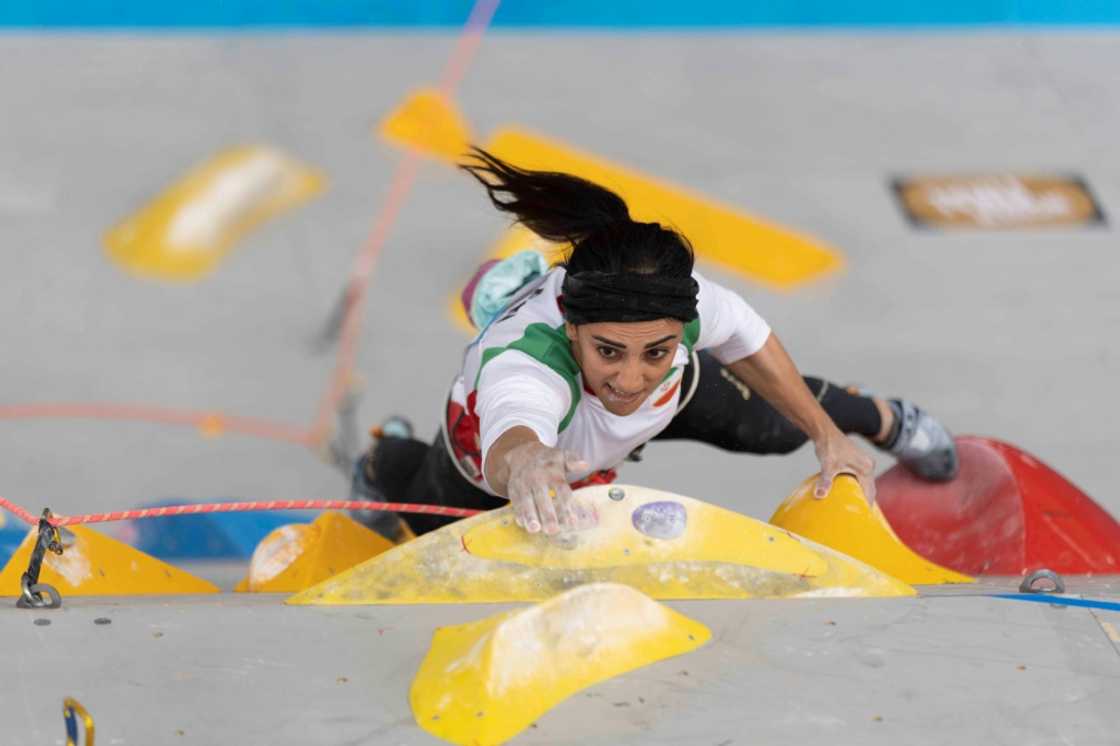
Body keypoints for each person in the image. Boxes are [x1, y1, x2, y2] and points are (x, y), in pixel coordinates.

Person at [352, 148, 958, 541]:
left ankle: (890, 420)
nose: (632, 379)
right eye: (608, 350)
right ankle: (384, 459)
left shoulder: (675, 303)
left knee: (771, 425)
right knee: (427, 514)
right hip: (492, 462)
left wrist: (829, 438)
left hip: (615, 426)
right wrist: (525, 462)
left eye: (657, 352)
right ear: (571, 328)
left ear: (679, 333)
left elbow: (750, 339)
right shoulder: (525, 364)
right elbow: (515, 423)